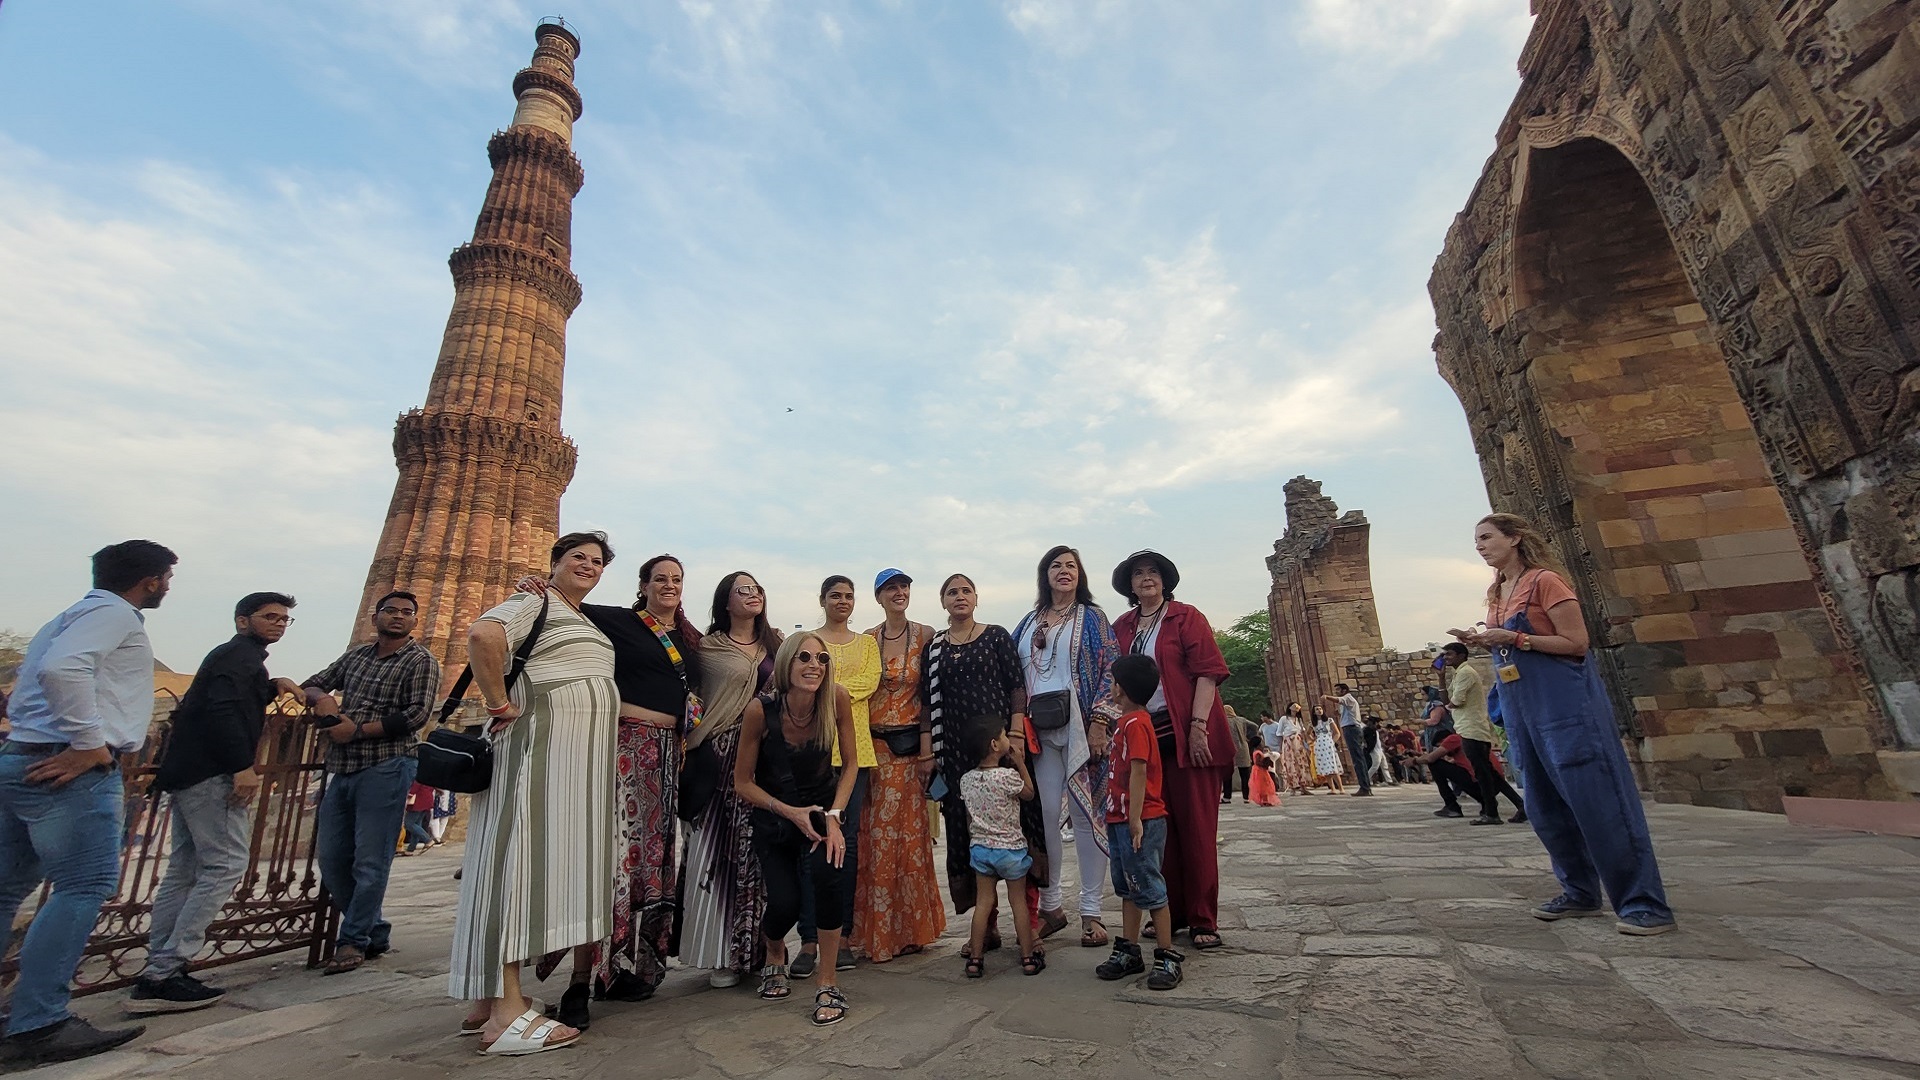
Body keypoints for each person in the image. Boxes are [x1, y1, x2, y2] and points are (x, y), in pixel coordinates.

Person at [1451, 512, 1675, 936]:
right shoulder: (1498, 591)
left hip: (1565, 705)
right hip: (1523, 707)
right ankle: (1580, 891)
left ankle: (1643, 901)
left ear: (1514, 538)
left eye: (1486, 537)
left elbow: (1576, 643)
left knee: (1597, 799)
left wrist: (1517, 639)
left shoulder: (1545, 582)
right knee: (1544, 804)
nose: (1479, 546)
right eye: (1476, 540)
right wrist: (1484, 639)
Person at [0, 540, 175, 1065]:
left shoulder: (69, 616)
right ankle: (39, 1022)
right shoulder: (114, 615)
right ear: (150, 580)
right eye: (167, 578)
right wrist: (87, 742)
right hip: (67, 769)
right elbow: (63, 671)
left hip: (22, 756)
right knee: (82, 888)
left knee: (6, 889)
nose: (168, 587)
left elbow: (37, 679)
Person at [450, 532, 620, 1054]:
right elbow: (484, 635)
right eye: (578, 558)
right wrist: (500, 705)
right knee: (515, 870)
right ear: (553, 564)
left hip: (567, 770)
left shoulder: (573, 611)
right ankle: (507, 1015)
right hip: (534, 759)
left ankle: (485, 999)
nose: (588, 567)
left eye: (596, 562)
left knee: (518, 869)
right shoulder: (534, 600)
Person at [516, 552, 702, 1010]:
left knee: (653, 866)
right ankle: (585, 976)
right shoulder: (618, 621)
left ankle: (632, 967)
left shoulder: (689, 638)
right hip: (624, 751)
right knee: (611, 861)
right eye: (660, 578)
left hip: (666, 760)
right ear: (643, 585)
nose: (669, 585)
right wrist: (536, 587)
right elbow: (563, 607)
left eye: (676, 579)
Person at [132, 591, 303, 1014]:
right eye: (269, 617)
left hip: (188, 771)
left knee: (186, 868)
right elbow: (223, 710)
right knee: (224, 863)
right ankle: (164, 970)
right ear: (243, 620)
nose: (279, 623)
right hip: (212, 774)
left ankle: (159, 964)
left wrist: (271, 686)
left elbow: (228, 700)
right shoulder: (238, 656)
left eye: (284, 619)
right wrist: (242, 765)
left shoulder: (238, 658)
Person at [299, 589, 441, 975]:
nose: (398, 617)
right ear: (374, 616)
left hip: (387, 765)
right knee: (331, 859)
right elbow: (312, 683)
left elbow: (415, 715)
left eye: (406, 612)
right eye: (390, 610)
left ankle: (352, 940)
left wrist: (356, 730)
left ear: (415, 620)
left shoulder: (420, 660)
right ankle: (374, 930)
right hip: (342, 767)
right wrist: (324, 703)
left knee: (370, 861)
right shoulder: (357, 657)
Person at [733, 633, 860, 1026]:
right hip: (776, 815)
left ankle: (827, 981)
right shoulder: (760, 711)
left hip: (822, 813)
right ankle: (774, 951)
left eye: (822, 658)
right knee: (785, 903)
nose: (814, 665)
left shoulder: (836, 698)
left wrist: (835, 816)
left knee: (828, 883)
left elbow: (851, 764)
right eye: (804, 657)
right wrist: (790, 812)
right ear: (787, 663)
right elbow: (743, 782)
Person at [1110, 550, 1232, 952]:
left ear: (1165, 580)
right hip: (1145, 739)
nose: (1146, 578)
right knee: (1157, 829)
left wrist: (1199, 727)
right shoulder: (1122, 627)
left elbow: (1207, 673)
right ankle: (1170, 910)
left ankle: (1201, 917)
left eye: (1153, 572)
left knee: (1196, 828)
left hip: (1185, 733)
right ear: (1129, 585)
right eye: (1139, 573)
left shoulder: (1185, 617)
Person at [923, 574, 1046, 949]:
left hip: (1000, 747)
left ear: (976, 598)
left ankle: (1031, 924)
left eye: (965, 591)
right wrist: (928, 752)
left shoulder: (996, 636)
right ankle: (987, 926)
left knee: (1020, 824)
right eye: (951, 592)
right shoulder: (935, 647)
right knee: (968, 830)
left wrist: (1016, 735)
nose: (959, 597)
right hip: (956, 753)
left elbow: (1016, 686)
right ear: (943, 602)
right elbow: (928, 704)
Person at [1007, 546, 1118, 949]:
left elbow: (1111, 667)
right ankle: (1052, 906)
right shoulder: (1028, 622)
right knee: (1045, 814)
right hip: (1038, 730)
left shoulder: (1093, 619)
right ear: (1045, 574)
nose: (1064, 571)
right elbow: (1012, 675)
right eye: (1056, 565)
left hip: (1081, 726)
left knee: (1089, 814)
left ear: (1081, 574)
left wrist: (1101, 721)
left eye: (1071, 565)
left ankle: (1091, 911)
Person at [682, 571, 779, 987]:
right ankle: (721, 953)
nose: (753, 594)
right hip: (721, 755)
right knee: (718, 852)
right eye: (743, 590)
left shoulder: (774, 644)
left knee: (758, 855)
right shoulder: (706, 648)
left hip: (765, 756)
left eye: (757, 588)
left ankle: (756, 948)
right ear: (726, 601)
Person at [849, 568, 945, 964]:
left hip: (911, 752)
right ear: (878, 596)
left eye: (904, 587)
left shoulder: (926, 636)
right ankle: (876, 934)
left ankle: (911, 931)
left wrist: (928, 751)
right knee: (875, 841)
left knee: (911, 840)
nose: (899, 593)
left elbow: (930, 695)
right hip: (874, 748)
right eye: (891, 588)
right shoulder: (866, 641)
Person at [802, 576, 878, 973]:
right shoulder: (808, 643)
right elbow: (800, 681)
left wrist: (824, 685)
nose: (843, 601)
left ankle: (843, 935)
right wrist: (826, 686)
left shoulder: (867, 644)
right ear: (823, 600)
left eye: (849, 595)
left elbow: (868, 682)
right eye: (835, 595)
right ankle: (809, 939)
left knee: (846, 844)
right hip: (812, 750)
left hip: (855, 753)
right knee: (810, 841)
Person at [1094, 653, 1181, 989]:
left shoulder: (1137, 724)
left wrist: (1134, 819)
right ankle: (1129, 949)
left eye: (1114, 682)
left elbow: (1139, 770)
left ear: (1122, 690)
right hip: (1122, 818)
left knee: (1149, 885)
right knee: (1128, 886)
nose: (1111, 687)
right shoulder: (1127, 723)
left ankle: (1167, 954)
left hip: (1141, 818)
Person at [958, 719, 1042, 979]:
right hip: (1011, 851)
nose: (1008, 738)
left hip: (981, 849)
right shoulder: (1007, 777)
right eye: (1004, 735)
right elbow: (1028, 793)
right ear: (995, 745)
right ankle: (1028, 957)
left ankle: (975, 959)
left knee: (983, 903)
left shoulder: (966, 780)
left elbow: (969, 818)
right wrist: (1020, 763)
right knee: (1017, 903)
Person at [1439, 643, 1509, 825]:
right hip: (1467, 726)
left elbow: (1455, 702)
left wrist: (1450, 704)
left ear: (1462, 655)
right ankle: (1519, 804)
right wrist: (1440, 678)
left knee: (1482, 772)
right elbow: (1447, 701)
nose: (1446, 658)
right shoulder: (1458, 674)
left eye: (1450, 654)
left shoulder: (1465, 673)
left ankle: (1491, 812)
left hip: (1472, 728)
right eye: (1444, 655)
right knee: (1488, 771)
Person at [1418, 728, 1526, 822]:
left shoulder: (1453, 739)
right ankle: (1487, 803)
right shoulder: (1469, 746)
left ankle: (1452, 806)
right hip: (1493, 784)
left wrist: (1414, 761)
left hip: (1482, 784)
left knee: (1435, 764)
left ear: (1443, 741)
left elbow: (1430, 758)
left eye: (1439, 746)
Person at [1319, 683, 1370, 796]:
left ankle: (1365, 787)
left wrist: (1327, 697)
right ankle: (1365, 786)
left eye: (1338, 690)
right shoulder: (1347, 702)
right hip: (1350, 729)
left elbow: (1339, 700)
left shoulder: (1348, 698)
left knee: (1358, 759)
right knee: (1358, 758)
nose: (1336, 692)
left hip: (1352, 729)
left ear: (1344, 690)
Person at [1271, 703, 1312, 795]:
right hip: (1289, 742)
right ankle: (1292, 787)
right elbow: (1279, 732)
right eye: (1294, 706)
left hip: (1299, 743)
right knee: (1290, 764)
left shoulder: (1299, 720)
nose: (1296, 707)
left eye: (1297, 706)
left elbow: (1303, 731)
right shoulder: (1284, 719)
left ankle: (1303, 786)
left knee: (1301, 763)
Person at [1222, 705, 1257, 803]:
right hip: (1243, 748)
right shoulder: (1241, 720)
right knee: (1245, 774)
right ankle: (1246, 797)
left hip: (1229, 748)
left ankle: (1227, 797)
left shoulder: (1223, 720)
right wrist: (1248, 737)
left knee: (1227, 774)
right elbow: (1255, 726)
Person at [1309, 708, 1344, 794]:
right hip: (1319, 745)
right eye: (1317, 709)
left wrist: (1332, 741)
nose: (1319, 710)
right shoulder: (1313, 723)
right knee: (1325, 767)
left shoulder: (1329, 720)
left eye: (1320, 709)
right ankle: (1332, 788)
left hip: (1328, 743)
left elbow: (1337, 732)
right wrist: (1314, 740)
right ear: (1314, 712)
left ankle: (1341, 788)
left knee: (1333, 765)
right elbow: (1307, 733)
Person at [402, 781, 435, 854]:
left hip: (418, 801)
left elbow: (415, 786)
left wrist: (408, 794)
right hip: (426, 800)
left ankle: (428, 840)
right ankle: (411, 848)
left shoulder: (418, 775)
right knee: (417, 824)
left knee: (409, 823)